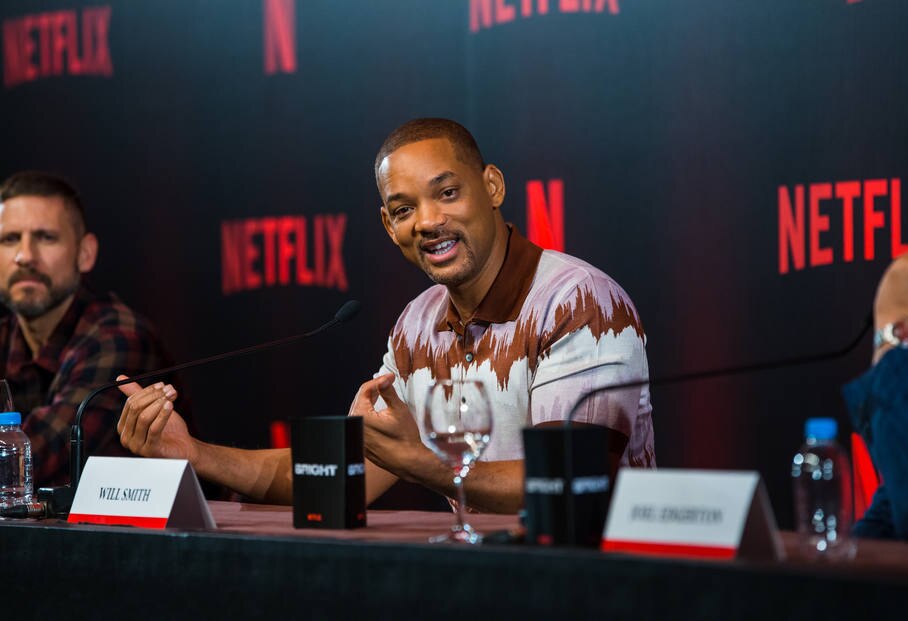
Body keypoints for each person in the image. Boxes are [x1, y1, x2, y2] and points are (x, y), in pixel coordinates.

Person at [117, 119, 655, 512]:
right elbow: (339, 477)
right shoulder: (416, 325)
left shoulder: (580, 302)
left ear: (492, 187)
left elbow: (568, 482)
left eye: (447, 193)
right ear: (387, 226)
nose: (428, 221)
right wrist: (194, 454)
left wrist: (425, 463)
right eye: (403, 209)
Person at [0, 171, 174, 486]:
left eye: (46, 237)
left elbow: (35, 459)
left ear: (85, 254)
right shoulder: (6, 335)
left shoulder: (118, 336)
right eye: (10, 239)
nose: (25, 256)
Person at [844, 242, 908, 540]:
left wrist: (893, 363)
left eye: (883, 336)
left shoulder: (903, 383)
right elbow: (890, 507)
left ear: (906, 335)